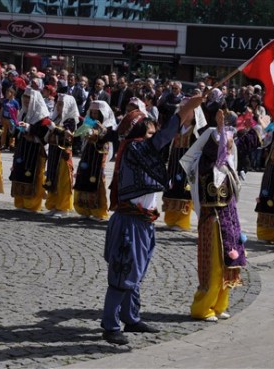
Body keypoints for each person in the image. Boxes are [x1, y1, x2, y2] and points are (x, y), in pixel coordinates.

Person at [101, 95, 203, 345]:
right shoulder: (135, 148)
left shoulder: (141, 151)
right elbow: (163, 137)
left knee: (135, 273)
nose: (152, 137)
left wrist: (187, 114)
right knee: (123, 274)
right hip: (129, 223)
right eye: (147, 132)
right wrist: (183, 111)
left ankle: (130, 317)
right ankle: (110, 325)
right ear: (137, 132)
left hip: (144, 222)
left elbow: (164, 139)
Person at [180, 108, 265, 322]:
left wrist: (258, 128)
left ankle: (219, 304)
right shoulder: (206, 164)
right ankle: (203, 307)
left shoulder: (227, 166)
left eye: (229, 139)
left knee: (229, 263)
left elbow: (242, 145)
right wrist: (218, 130)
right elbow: (213, 147)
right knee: (214, 267)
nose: (229, 145)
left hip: (229, 222)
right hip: (213, 221)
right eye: (226, 140)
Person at [162, 98, 206, 231]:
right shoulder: (175, 128)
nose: (184, 112)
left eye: (187, 109)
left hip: (188, 167)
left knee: (184, 191)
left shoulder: (197, 131)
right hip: (174, 163)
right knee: (171, 189)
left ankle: (181, 222)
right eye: (181, 109)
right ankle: (171, 219)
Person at [10, 88, 51, 213]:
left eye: (29, 97)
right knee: (19, 173)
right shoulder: (22, 112)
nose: (26, 100)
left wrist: (29, 129)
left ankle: (32, 204)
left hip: (35, 149)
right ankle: (20, 202)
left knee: (32, 175)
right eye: (24, 97)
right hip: (22, 147)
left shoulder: (42, 115)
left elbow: (44, 134)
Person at [73, 100, 116, 221]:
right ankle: (84, 209)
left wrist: (98, 133)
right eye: (92, 113)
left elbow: (107, 138)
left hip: (99, 154)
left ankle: (98, 210)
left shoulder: (109, 125)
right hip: (88, 153)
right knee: (83, 176)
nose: (94, 115)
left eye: (97, 113)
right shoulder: (89, 122)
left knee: (97, 180)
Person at [44, 94, 78, 218]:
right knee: (52, 177)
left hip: (63, 153)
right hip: (53, 151)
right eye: (58, 104)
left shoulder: (71, 120)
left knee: (63, 180)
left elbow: (69, 135)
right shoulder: (57, 117)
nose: (59, 106)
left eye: (62, 104)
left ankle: (63, 207)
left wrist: (55, 128)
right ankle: (53, 204)